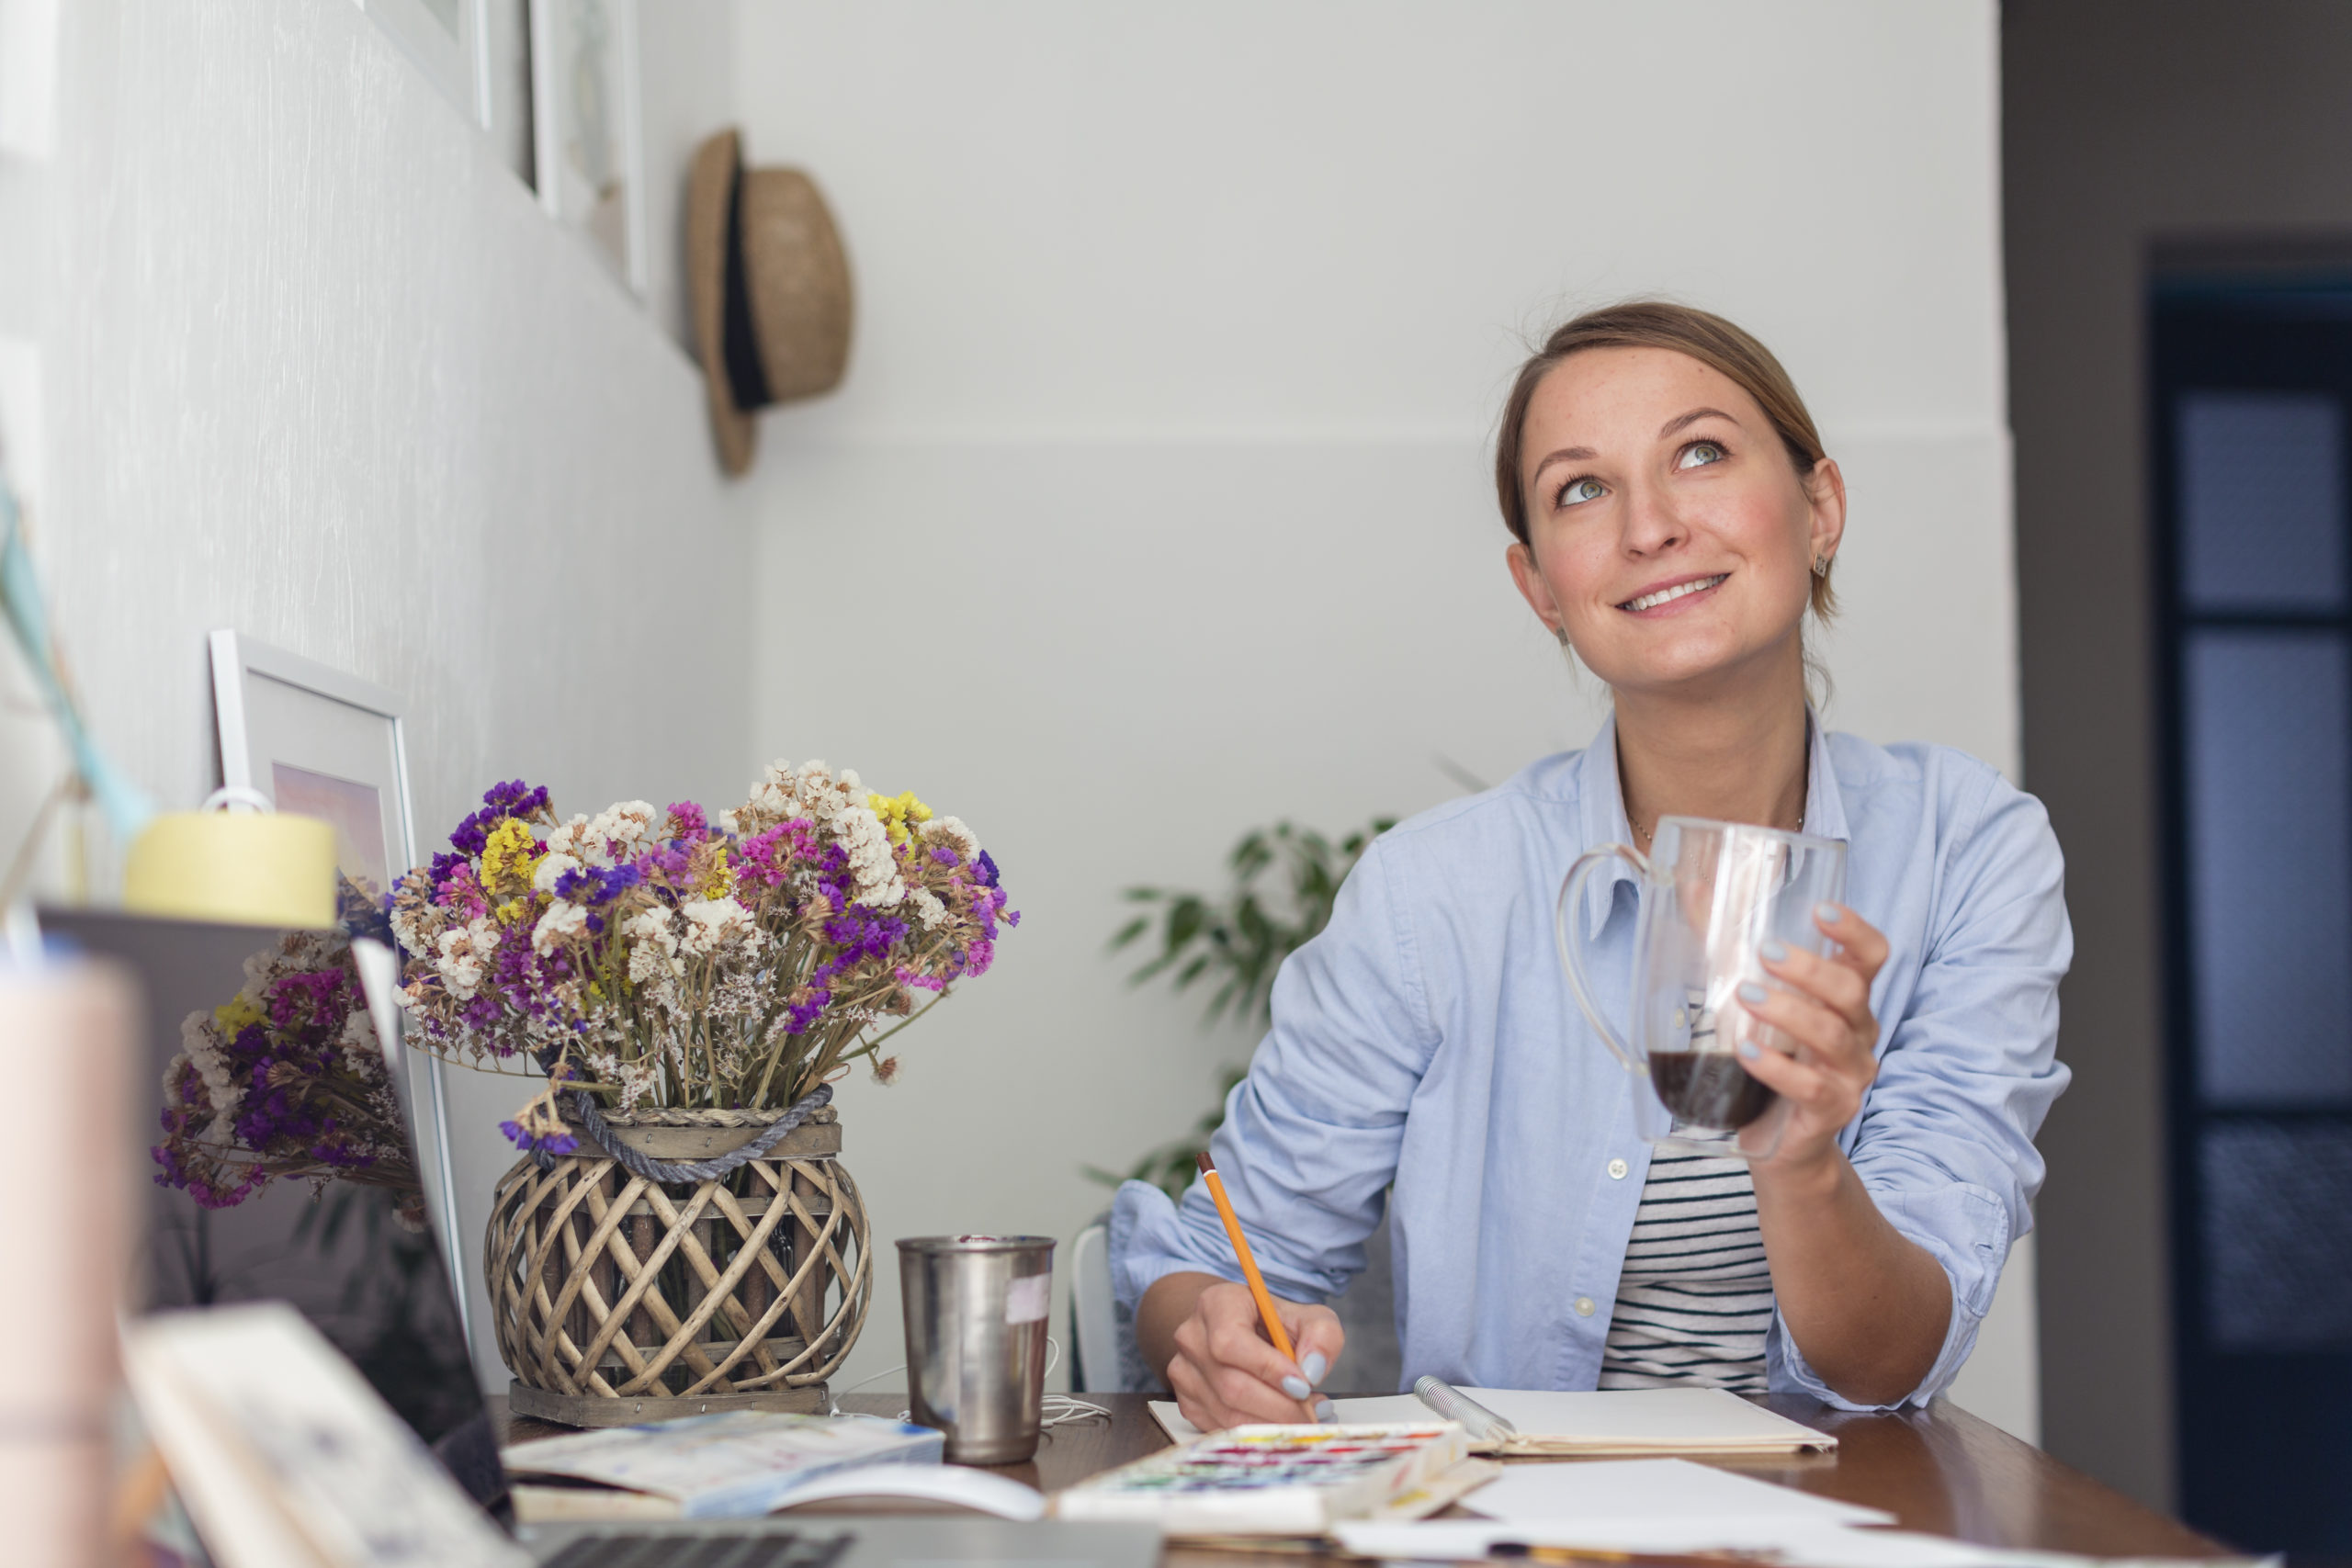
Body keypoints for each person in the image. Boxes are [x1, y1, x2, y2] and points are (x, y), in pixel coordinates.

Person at [1111, 301, 2072, 1430]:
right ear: (1541, 590)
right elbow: (1221, 1259)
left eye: (1700, 453)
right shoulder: (1433, 894)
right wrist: (1212, 1334)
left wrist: (1801, 1159)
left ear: (1820, 510)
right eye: (1582, 489)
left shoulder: (1968, 853)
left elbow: (1888, 1363)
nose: (1650, 526)